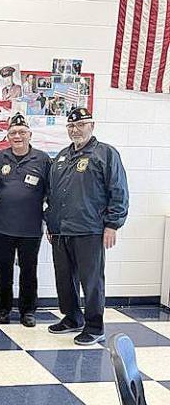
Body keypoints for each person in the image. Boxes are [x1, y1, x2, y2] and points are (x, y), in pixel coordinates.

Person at [46, 107, 129, 346]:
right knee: (64, 278)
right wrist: (51, 223)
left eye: (81, 125)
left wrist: (113, 224)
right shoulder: (61, 156)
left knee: (91, 281)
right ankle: (72, 317)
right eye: (71, 126)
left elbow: (119, 191)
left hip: (90, 229)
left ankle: (94, 326)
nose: (75, 130)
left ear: (92, 126)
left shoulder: (105, 154)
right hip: (61, 230)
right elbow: (52, 194)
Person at [0, 113, 51, 327]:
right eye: (13, 132)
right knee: (2, 270)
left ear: (29, 134)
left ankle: (28, 311)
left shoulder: (43, 160)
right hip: (1, 227)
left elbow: (50, 193)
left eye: (22, 132)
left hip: (31, 228)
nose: (18, 136)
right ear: (7, 136)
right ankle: (3, 309)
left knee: (28, 271)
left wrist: (50, 221)